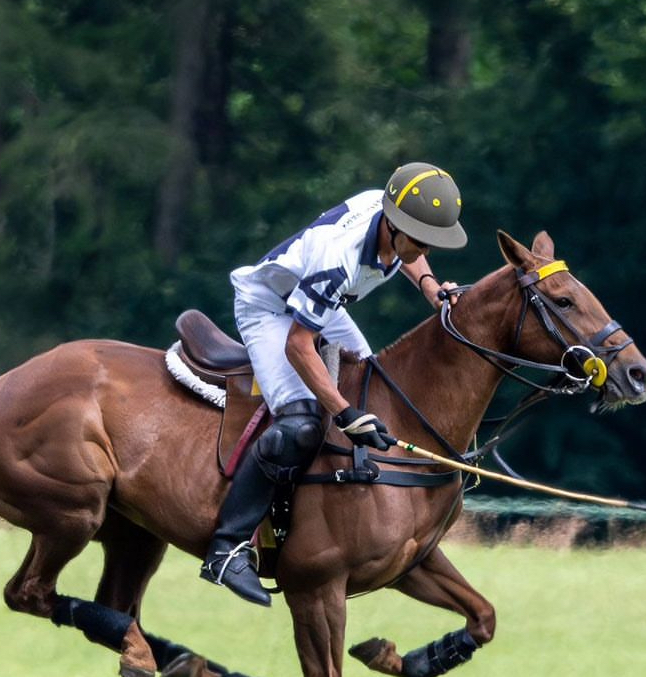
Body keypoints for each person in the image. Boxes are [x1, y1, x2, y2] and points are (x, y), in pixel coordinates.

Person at [199, 161, 469, 606]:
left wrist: (431, 288)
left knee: (375, 383)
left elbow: (414, 251)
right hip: (270, 310)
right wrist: (344, 413)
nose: (424, 248)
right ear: (395, 226)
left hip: (316, 305)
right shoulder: (338, 259)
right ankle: (227, 549)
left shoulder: (390, 216)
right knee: (302, 424)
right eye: (420, 240)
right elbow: (299, 345)